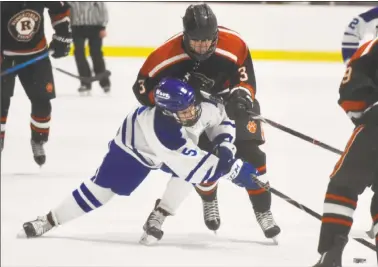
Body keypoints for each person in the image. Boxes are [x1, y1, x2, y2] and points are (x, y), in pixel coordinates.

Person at [19, 77, 261, 240]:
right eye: (184, 111)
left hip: (174, 154)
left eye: (192, 106)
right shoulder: (163, 130)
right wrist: (233, 170)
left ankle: (160, 215)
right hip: (134, 151)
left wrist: (226, 148)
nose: (192, 113)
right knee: (100, 192)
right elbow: (196, 168)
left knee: (185, 176)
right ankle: (50, 220)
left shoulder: (197, 104)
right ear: (168, 112)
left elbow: (221, 119)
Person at [132, 3, 280, 243]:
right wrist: (175, 99)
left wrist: (241, 96)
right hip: (194, 112)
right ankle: (209, 198)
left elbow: (246, 78)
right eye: (196, 41)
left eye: (208, 40)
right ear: (185, 36)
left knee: (253, 156)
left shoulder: (235, 44)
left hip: (230, 106)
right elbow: (141, 90)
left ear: (216, 35)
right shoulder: (164, 55)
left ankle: (263, 209)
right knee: (205, 160)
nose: (202, 46)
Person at [313, 3, 378, 267]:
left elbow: (350, 93)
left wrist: (366, 127)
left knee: (343, 185)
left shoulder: (376, 45)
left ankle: (330, 256)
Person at [1, 2, 72, 166]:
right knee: (1, 100)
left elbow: (60, 9)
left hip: (36, 55)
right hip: (5, 56)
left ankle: (38, 140)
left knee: (42, 101)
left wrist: (62, 36)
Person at [68, 2, 110, 94]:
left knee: (96, 53)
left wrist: (103, 27)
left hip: (95, 27)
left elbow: (102, 8)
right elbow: (66, 9)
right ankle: (85, 83)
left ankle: (104, 82)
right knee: (79, 53)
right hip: (76, 27)